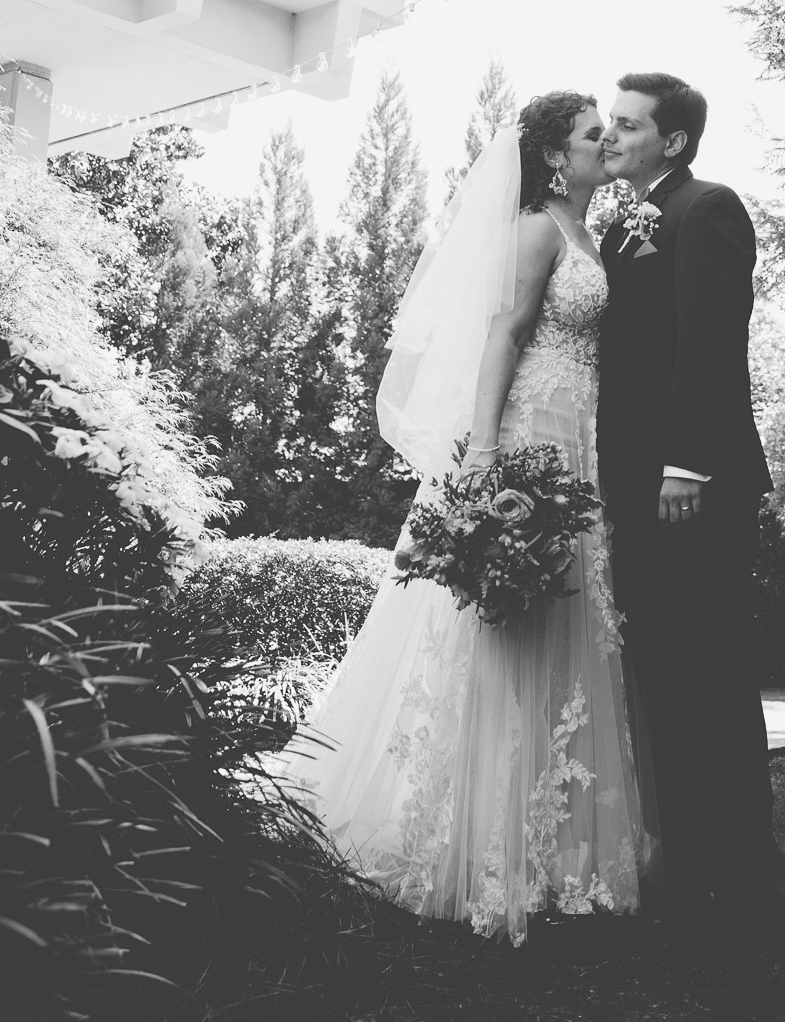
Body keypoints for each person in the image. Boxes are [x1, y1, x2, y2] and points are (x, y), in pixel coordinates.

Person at [277, 92, 655, 945]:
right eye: (595, 136)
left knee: (564, 624)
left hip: (579, 440)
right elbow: (502, 335)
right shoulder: (537, 229)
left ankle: (556, 845)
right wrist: (484, 458)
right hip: (530, 437)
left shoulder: (593, 232)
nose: (607, 145)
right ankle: (476, 846)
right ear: (557, 157)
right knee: (502, 629)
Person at [598, 71, 778, 923]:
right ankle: (691, 856)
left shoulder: (707, 208)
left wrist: (685, 467)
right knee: (666, 671)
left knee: (712, 667)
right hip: (635, 484)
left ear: (671, 141)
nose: (612, 136)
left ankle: (742, 870)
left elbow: (710, 341)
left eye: (628, 126)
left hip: (690, 486)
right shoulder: (623, 223)